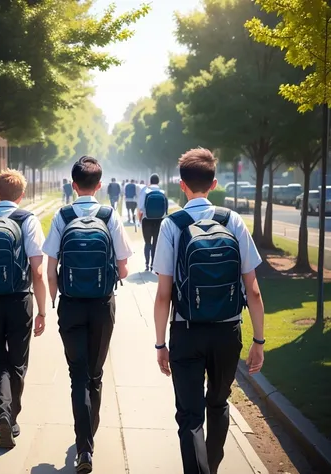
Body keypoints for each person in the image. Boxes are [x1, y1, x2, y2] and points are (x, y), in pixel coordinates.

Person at [153, 148, 265, 474]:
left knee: (189, 415)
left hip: (186, 331)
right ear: (213, 183)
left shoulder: (172, 225)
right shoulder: (233, 221)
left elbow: (163, 295)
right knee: (217, 404)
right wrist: (258, 340)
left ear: (182, 185)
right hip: (227, 331)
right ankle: (211, 468)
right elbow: (253, 290)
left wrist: (161, 344)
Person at [43, 156, 132, 473]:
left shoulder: (62, 216)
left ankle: (85, 448)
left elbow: (50, 268)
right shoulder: (110, 215)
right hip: (102, 304)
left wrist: (53, 303)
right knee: (95, 374)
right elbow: (123, 266)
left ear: (73, 184)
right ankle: (87, 442)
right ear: (100, 185)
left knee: (77, 375)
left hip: (70, 304)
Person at [0, 169, 47, 449]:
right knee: (17, 362)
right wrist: (42, 311)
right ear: (22, 195)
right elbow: (37, 272)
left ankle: (2, 410)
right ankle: (10, 416)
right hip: (19, 299)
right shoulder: (28, 220)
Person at [138, 173, 168, 271]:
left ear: (150, 181)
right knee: (155, 243)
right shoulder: (162, 192)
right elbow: (165, 210)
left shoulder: (145, 191)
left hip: (147, 220)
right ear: (158, 182)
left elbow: (141, 208)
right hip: (159, 220)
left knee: (147, 243)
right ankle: (153, 264)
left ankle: (146, 264)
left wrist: (139, 220)